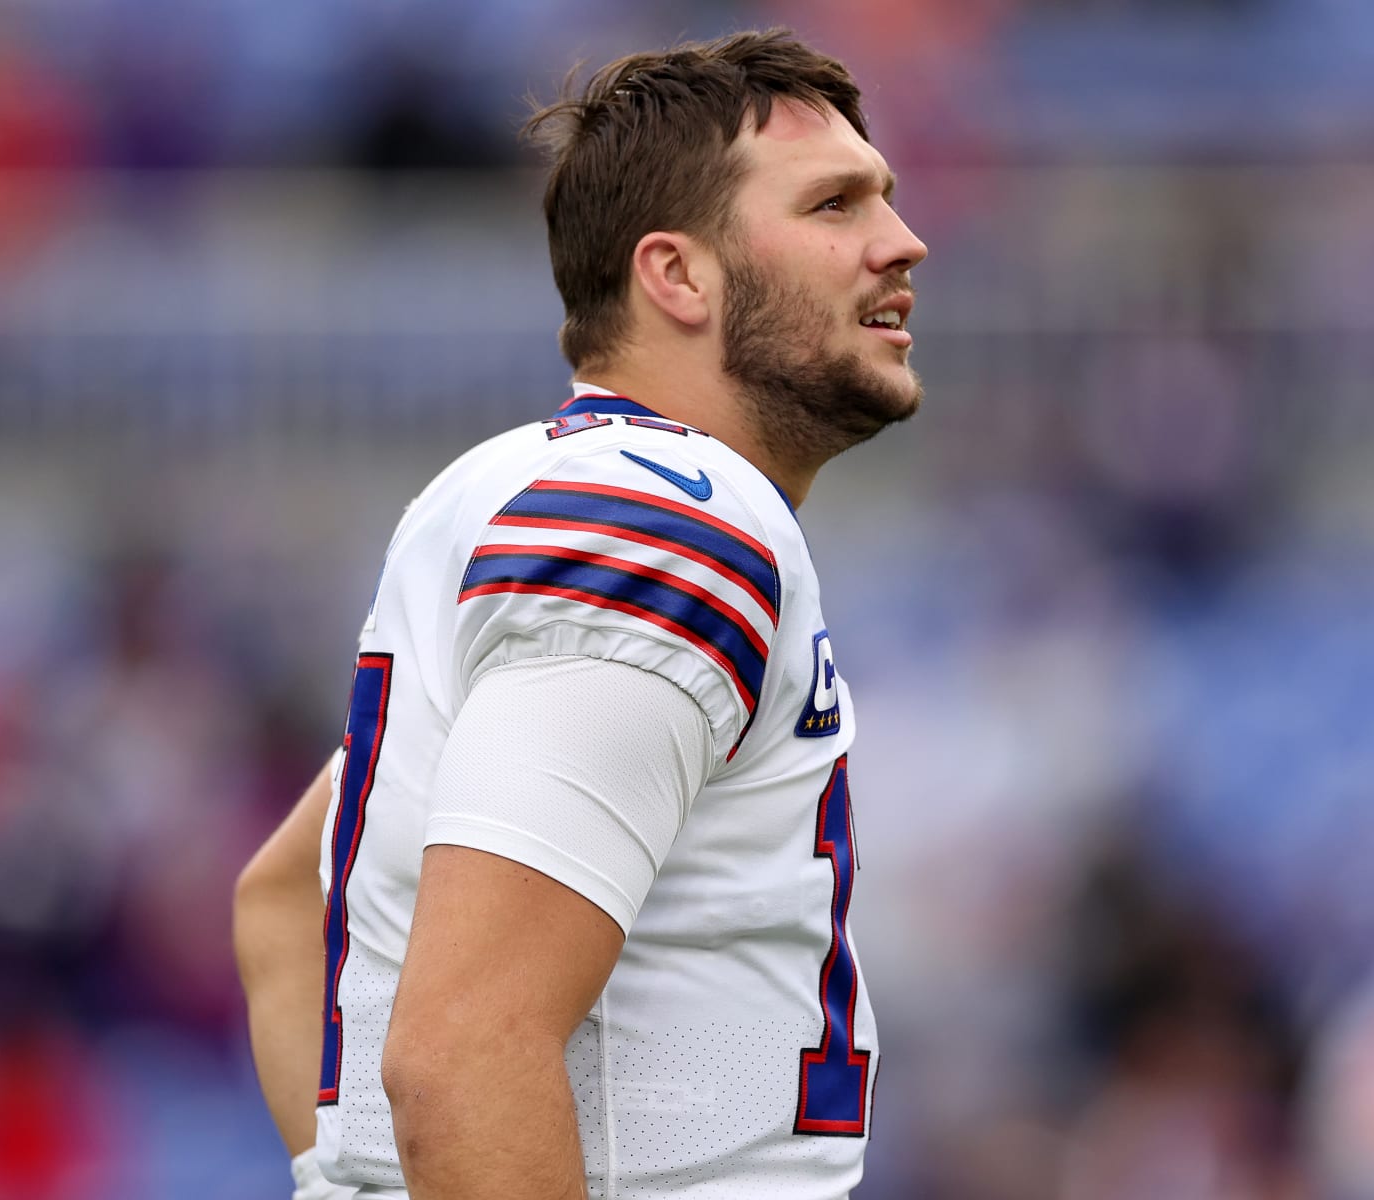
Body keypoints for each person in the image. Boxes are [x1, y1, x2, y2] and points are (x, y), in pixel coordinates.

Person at [232, 28, 927, 1200]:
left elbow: (287, 903)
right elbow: (459, 1060)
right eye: (834, 205)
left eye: (886, 198)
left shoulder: (523, 488)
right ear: (679, 275)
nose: (901, 241)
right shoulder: (660, 523)